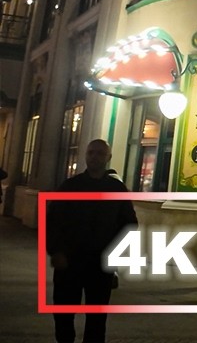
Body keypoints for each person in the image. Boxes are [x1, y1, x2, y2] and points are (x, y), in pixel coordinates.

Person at [46, 139, 137, 343]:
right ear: (86, 155)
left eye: (99, 153)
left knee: (96, 318)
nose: (94, 157)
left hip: (100, 264)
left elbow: (129, 224)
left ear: (108, 158)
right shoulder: (70, 186)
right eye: (91, 153)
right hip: (70, 262)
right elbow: (52, 221)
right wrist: (56, 251)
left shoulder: (117, 189)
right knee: (63, 314)